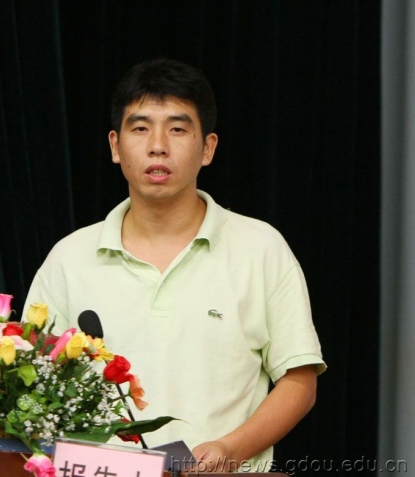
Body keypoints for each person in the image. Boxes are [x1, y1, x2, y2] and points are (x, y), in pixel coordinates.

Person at [22, 58, 326, 472]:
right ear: (115, 146)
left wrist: (229, 450)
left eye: (178, 129)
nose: (158, 145)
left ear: (208, 148)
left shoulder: (261, 248)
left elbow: (300, 380)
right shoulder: (69, 258)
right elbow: (31, 384)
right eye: (140, 128)